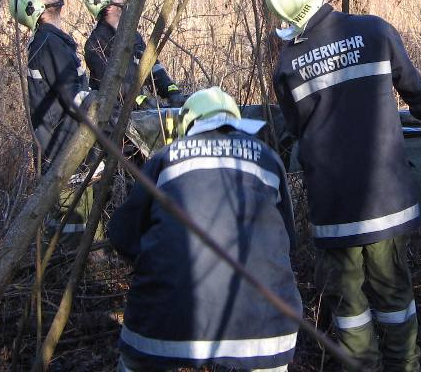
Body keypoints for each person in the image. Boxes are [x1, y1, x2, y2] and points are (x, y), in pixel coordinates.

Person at [264, 0, 421, 371]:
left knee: (350, 312)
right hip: (387, 203)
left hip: (335, 212)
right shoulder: (375, 31)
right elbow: (418, 91)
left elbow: (294, 129)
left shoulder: (287, 66)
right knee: (396, 301)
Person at [108, 87, 301, 372]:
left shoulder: (166, 158)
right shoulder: (268, 159)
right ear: (235, 119)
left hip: (162, 323)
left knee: (135, 362)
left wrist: (158, 260)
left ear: (189, 123)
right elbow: (288, 239)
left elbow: (123, 236)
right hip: (265, 329)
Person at [8, 0, 100, 245]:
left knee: (78, 224)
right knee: (73, 230)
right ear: (31, 6)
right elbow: (74, 97)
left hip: (67, 145)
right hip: (65, 150)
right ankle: (73, 281)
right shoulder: (49, 43)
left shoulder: (52, 41)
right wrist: (107, 108)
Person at [83, 0, 187, 110]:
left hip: (137, 109)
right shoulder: (95, 44)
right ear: (106, 6)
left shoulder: (132, 35)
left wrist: (172, 92)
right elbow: (111, 85)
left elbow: (151, 65)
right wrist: (140, 101)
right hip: (113, 116)